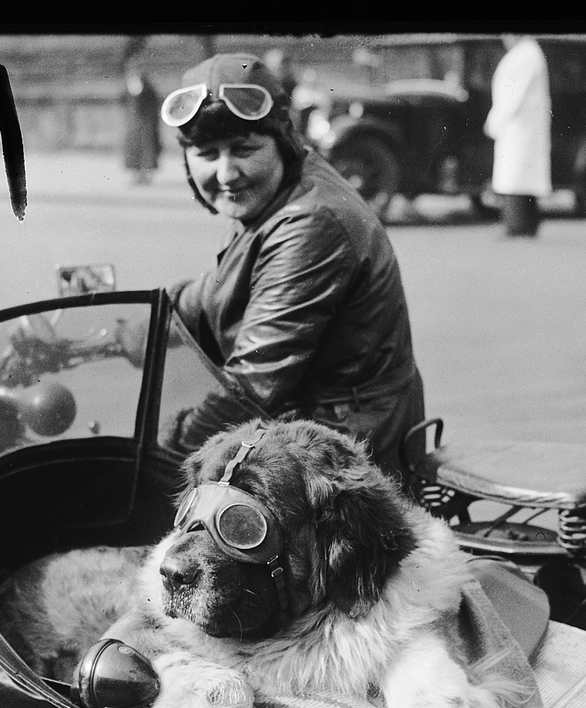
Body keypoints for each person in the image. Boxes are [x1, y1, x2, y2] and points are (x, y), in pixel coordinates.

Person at [160, 53, 426, 479]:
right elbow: (205, 297)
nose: (226, 173)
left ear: (282, 142)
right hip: (310, 421)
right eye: (207, 153)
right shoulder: (269, 199)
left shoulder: (309, 219)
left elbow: (251, 384)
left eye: (245, 149)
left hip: (344, 448)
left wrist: (164, 444)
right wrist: (117, 332)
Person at [484, 35, 551, 237]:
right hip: (521, 127)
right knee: (521, 178)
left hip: (519, 127)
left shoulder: (525, 55)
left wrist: (495, 121)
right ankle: (525, 224)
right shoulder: (527, 53)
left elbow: (511, 96)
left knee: (516, 177)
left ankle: (517, 225)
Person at [122, 57, 162, 185]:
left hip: (146, 122)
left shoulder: (147, 85)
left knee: (147, 148)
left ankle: (146, 175)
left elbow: (153, 103)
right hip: (134, 123)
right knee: (134, 148)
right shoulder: (129, 83)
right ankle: (136, 175)